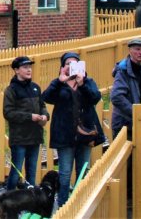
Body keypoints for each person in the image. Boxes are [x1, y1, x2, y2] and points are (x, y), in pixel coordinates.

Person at [42, 51, 103, 207]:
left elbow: (95, 97)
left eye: (74, 63)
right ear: (63, 66)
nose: (71, 66)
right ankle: (63, 205)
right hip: (65, 135)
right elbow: (46, 97)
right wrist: (59, 81)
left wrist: (82, 84)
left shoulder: (88, 82)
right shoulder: (59, 84)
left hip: (84, 133)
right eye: (68, 63)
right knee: (65, 173)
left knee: (83, 171)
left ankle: (81, 204)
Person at [2, 56, 48, 191]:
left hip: (35, 136)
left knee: (31, 172)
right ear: (16, 70)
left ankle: (30, 201)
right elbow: (8, 113)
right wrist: (30, 117)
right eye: (25, 67)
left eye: (30, 67)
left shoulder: (35, 88)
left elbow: (42, 105)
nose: (29, 70)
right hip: (19, 138)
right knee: (15, 172)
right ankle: (8, 199)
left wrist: (45, 115)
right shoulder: (11, 90)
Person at [110, 37, 141, 141]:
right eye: (137, 49)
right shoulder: (123, 70)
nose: (140, 53)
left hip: (140, 121)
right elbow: (116, 96)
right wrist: (135, 111)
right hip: (125, 124)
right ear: (130, 50)